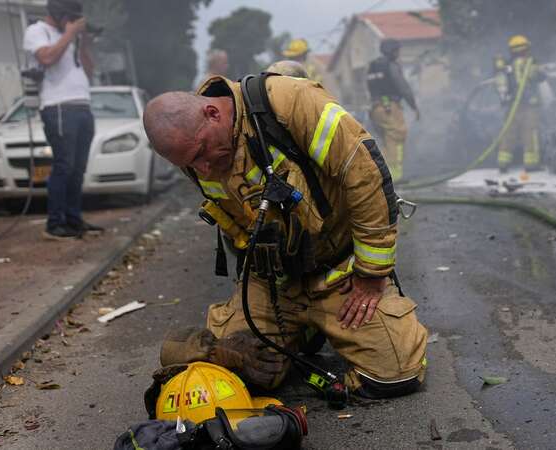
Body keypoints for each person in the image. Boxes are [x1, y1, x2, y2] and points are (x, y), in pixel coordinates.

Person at [142, 74, 428, 399]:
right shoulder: (199, 153)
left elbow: (364, 174)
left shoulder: (289, 101)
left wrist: (371, 273)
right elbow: (236, 224)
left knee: (395, 375)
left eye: (202, 152)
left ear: (212, 113)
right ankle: (298, 331)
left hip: (340, 273)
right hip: (275, 282)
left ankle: (309, 329)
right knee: (233, 373)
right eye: (190, 164)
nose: (203, 169)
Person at [23, 0, 103, 239]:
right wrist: (69, 34)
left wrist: (84, 44)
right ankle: (54, 223)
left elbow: (88, 72)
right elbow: (47, 58)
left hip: (82, 105)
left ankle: (73, 219)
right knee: (63, 166)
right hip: (58, 107)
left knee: (78, 169)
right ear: (58, 13)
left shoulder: (69, 37)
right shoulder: (37, 31)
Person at [366, 39, 419, 182]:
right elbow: (403, 87)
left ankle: (382, 176)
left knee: (386, 141)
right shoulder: (391, 65)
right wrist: (414, 106)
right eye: (397, 50)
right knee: (397, 138)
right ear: (393, 51)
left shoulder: (373, 66)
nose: (399, 53)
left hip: (375, 109)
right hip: (389, 108)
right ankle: (396, 177)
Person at [495, 34, 545, 178]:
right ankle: (531, 165)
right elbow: (541, 77)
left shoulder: (506, 67)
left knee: (508, 135)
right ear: (526, 49)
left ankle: (503, 164)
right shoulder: (529, 64)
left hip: (512, 107)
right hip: (529, 105)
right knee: (530, 134)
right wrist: (538, 67)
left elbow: (500, 86)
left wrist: (505, 99)